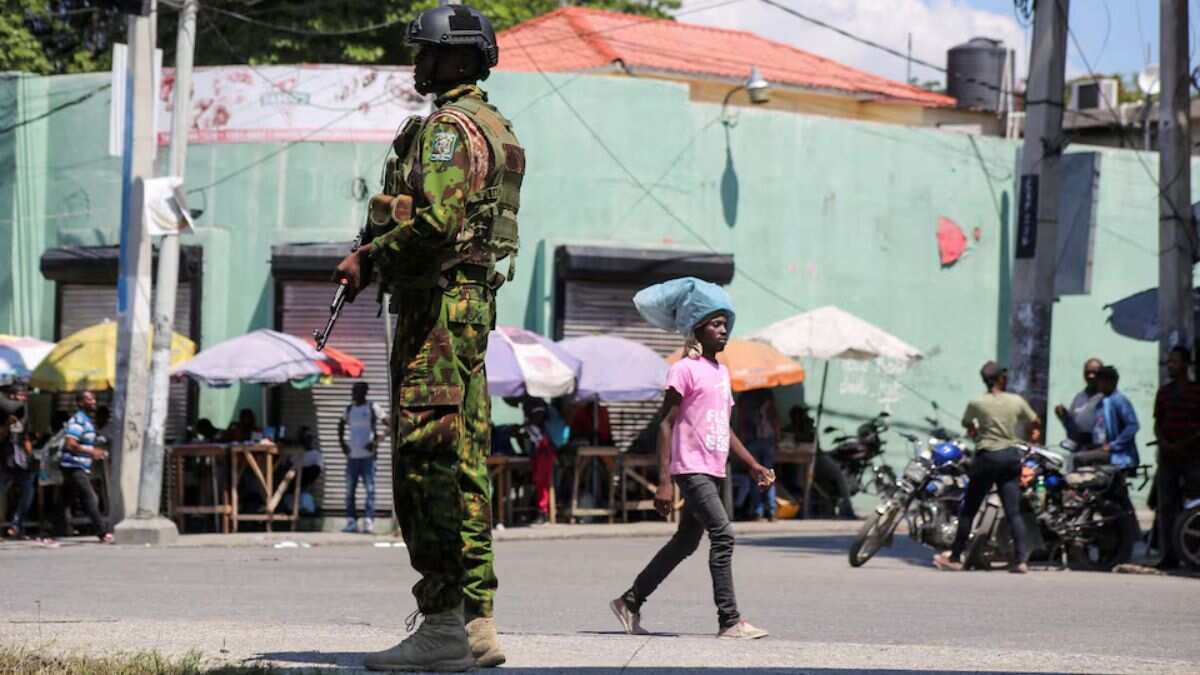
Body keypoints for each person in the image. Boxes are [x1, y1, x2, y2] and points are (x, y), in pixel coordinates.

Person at [332, 5, 522, 669]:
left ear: (462, 60)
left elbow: (437, 221)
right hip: (468, 306)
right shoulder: (494, 126)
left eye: (429, 54)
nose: (418, 64)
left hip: (436, 310)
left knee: (425, 461)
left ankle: (441, 621)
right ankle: (477, 621)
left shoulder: (447, 130)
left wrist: (370, 258)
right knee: (465, 458)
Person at [610, 306, 772, 640]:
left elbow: (723, 427)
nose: (723, 330)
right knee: (723, 535)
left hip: (714, 467)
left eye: (726, 325)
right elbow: (666, 424)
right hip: (690, 468)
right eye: (715, 325)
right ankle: (729, 620)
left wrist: (752, 463)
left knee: (685, 542)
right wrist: (665, 482)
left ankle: (630, 601)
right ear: (697, 332)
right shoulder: (683, 370)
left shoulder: (721, 373)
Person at [934, 362, 1040, 573]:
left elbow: (968, 425)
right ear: (1001, 378)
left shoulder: (977, 403)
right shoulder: (1016, 401)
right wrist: (1033, 435)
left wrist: (976, 431)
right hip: (1010, 457)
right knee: (1013, 512)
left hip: (986, 458)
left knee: (968, 511)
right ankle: (1021, 561)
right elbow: (1035, 421)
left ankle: (955, 557)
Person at [1153, 347, 1200, 570]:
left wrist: (1184, 443)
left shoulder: (1196, 392)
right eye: (1168, 362)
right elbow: (1158, 424)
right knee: (1167, 507)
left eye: (1174, 362)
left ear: (1186, 364)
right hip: (1168, 457)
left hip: (1192, 456)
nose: (1170, 365)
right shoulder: (1163, 392)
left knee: (1195, 506)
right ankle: (1169, 556)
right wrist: (1165, 443)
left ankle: (1192, 551)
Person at [57, 391, 112, 543]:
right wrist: (92, 451)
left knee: (65, 500)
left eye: (94, 398)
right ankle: (102, 532)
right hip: (73, 465)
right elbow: (70, 443)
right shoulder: (78, 421)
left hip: (79, 465)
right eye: (89, 399)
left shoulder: (87, 421)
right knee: (90, 497)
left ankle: (51, 530)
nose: (93, 401)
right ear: (80, 403)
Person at [339, 382, 386, 534]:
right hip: (352, 456)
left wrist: (377, 441)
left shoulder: (373, 408)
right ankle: (351, 522)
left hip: (368, 458)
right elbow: (340, 425)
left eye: (357, 391)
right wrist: (342, 444)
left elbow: (390, 424)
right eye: (353, 391)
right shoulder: (350, 409)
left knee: (370, 490)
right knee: (349, 491)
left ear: (364, 392)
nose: (354, 394)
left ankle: (368, 521)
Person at [1076, 366, 1140, 470]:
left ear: (1109, 382)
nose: (1098, 384)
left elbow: (1133, 426)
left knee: (1080, 458)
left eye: (1101, 381)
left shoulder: (1119, 400)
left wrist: (1113, 445)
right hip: (1104, 450)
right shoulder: (1101, 401)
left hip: (1120, 456)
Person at [734, 389, 779, 521]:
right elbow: (774, 417)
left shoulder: (744, 396)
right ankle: (771, 511)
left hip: (751, 440)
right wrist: (777, 437)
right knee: (769, 475)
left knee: (755, 476)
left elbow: (741, 420)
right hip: (767, 439)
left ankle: (757, 511)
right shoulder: (767, 393)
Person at [1, 384, 35, 538]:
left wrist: (31, 456)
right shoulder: (2, 412)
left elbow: (25, 437)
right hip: (4, 459)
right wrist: (7, 425)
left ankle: (16, 526)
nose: (24, 398)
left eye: (25, 395)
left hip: (21, 460)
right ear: (12, 396)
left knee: (28, 492)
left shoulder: (24, 413)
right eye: (21, 395)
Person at [1055, 358, 1104, 448]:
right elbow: (1073, 426)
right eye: (1087, 373)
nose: (1091, 376)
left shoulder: (1107, 397)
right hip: (1080, 446)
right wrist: (1064, 416)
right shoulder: (1079, 397)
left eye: (1095, 372)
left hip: (1098, 447)